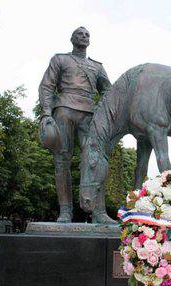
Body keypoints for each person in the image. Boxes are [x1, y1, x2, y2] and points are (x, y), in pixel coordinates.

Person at [39, 26, 115, 223]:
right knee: (62, 160)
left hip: (90, 114)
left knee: (95, 160)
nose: (84, 36)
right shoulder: (60, 59)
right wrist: (46, 113)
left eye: (87, 34)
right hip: (63, 109)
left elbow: (109, 92)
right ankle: (65, 211)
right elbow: (47, 86)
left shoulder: (97, 67)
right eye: (80, 34)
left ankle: (99, 212)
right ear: (72, 38)